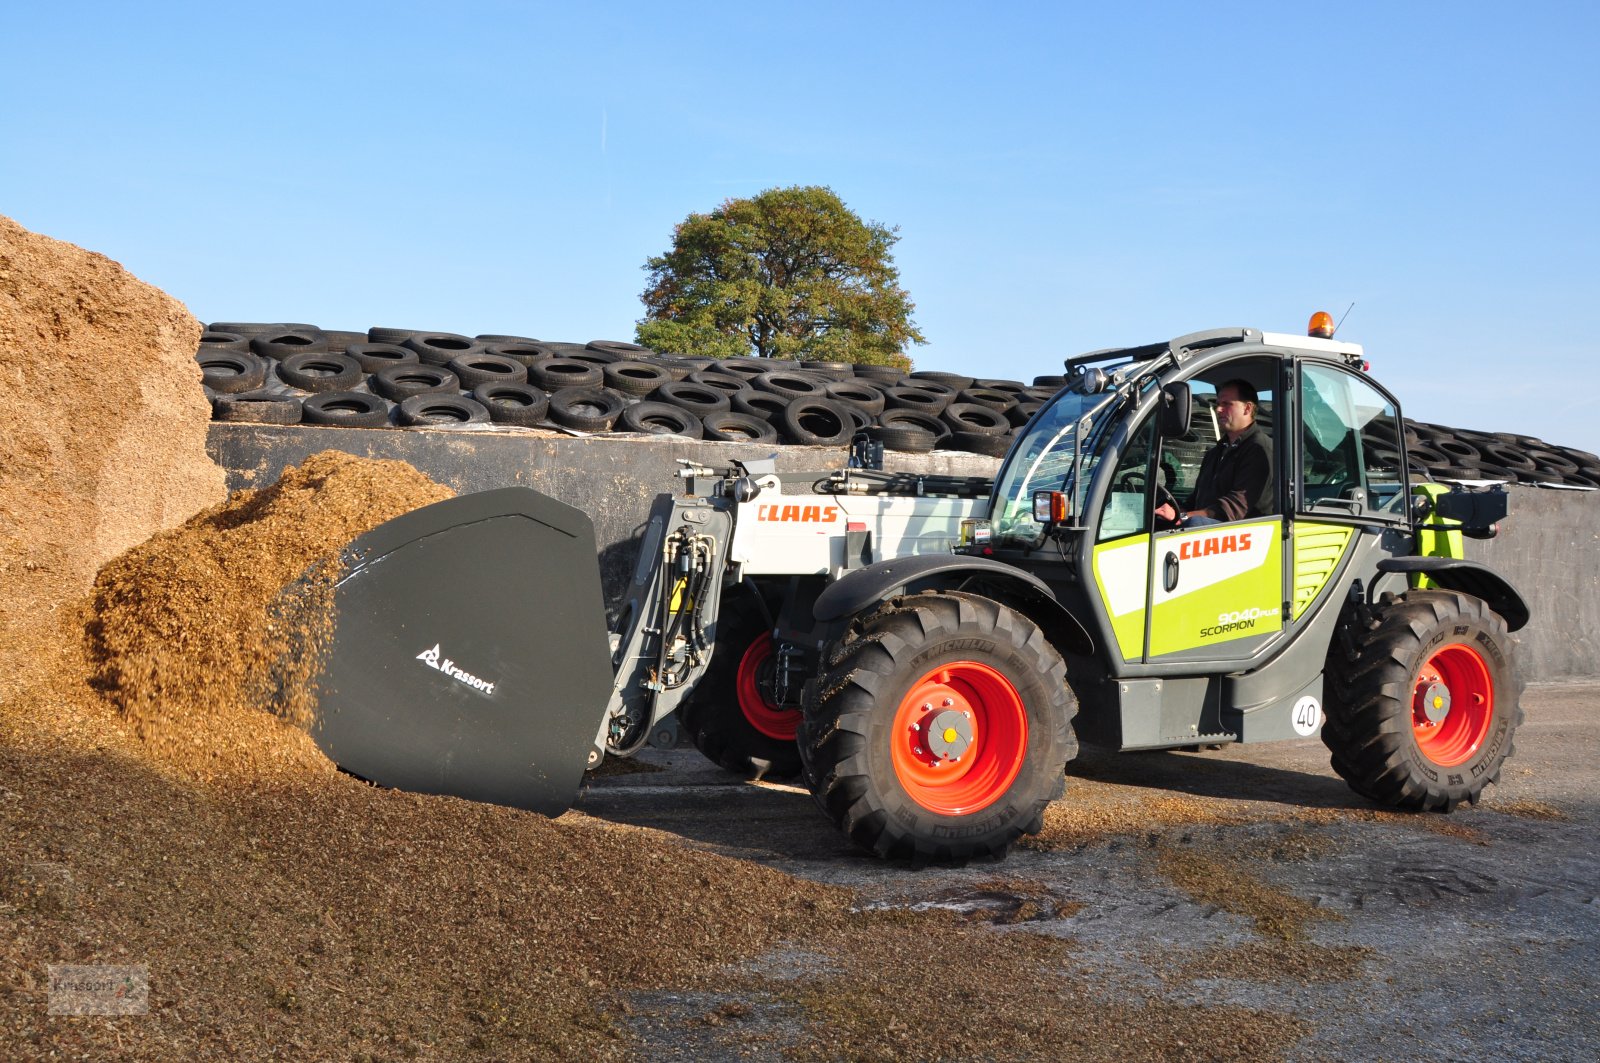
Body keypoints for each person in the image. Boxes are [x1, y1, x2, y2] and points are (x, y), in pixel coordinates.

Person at [1155, 380, 1274, 528]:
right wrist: (1173, 510)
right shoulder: (1215, 452)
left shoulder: (1259, 449)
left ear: (1247, 408)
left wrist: (1183, 516)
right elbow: (1196, 500)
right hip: (1209, 535)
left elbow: (1234, 507)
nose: (1218, 409)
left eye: (1227, 404)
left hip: (1241, 538)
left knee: (1194, 522)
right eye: (1218, 404)